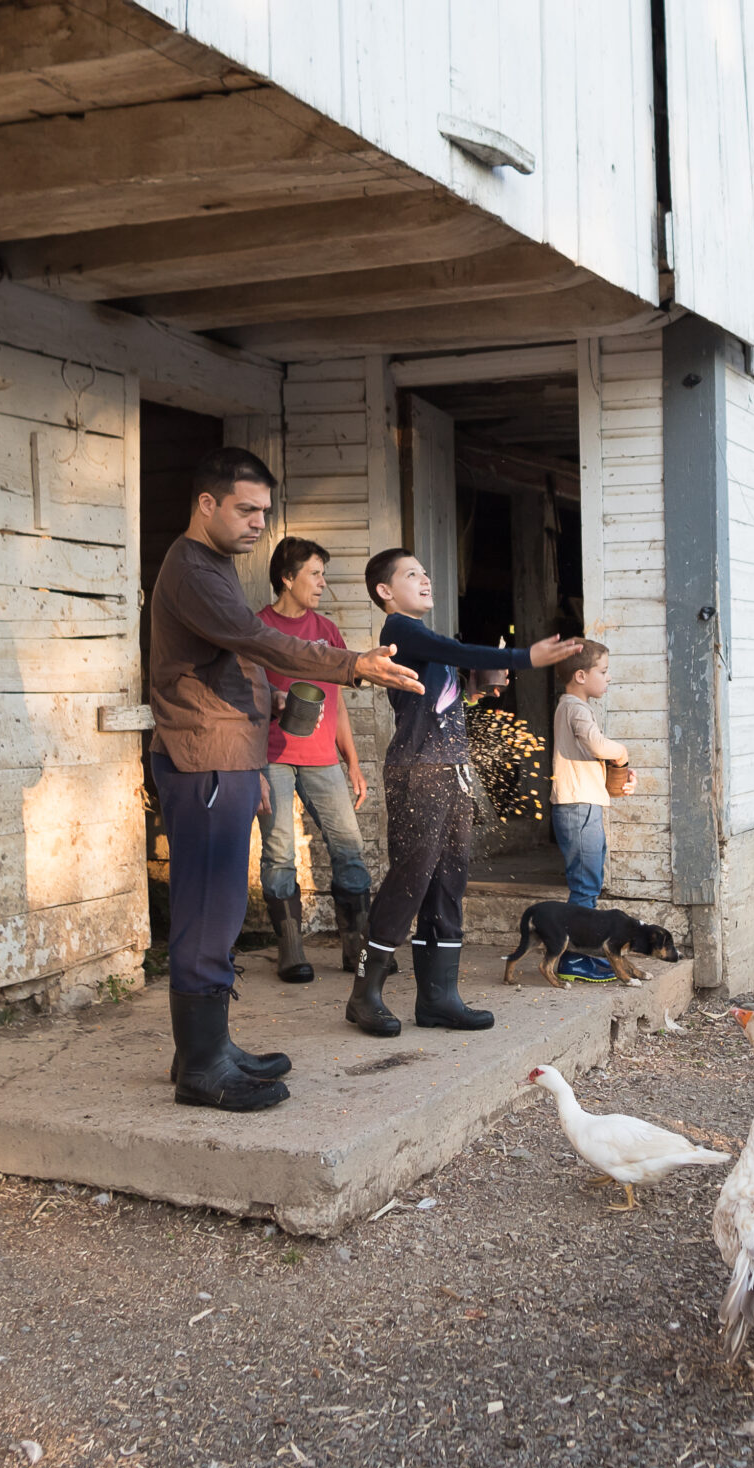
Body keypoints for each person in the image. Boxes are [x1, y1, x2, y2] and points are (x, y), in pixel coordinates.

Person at [146, 448, 420, 1111]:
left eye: (263, 512)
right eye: (246, 509)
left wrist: (262, 697)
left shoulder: (212, 565)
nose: (257, 524)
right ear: (206, 504)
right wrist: (351, 663)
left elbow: (228, 655)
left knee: (217, 912)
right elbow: (257, 639)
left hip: (225, 752)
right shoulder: (194, 569)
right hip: (205, 757)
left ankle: (204, 1046)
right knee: (209, 913)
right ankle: (202, 1069)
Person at [348, 549, 583, 1037]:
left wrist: (470, 694)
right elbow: (458, 652)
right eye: (411, 574)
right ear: (385, 592)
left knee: (448, 879)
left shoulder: (426, 645)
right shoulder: (400, 631)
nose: (425, 579)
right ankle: (364, 993)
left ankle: (439, 998)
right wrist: (526, 657)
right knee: (411, 877)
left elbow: (437, 700)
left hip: (451, 772)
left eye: (425, 572)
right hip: (418, 773)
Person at [256, 537, 372, 984]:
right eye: (315, 574)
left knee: (349, 847)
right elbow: (243, 692)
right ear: (288, 578)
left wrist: (353, 761)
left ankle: (356, 948)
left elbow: (337, 702)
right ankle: (290, 950)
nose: (323, 583)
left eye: (323, 574)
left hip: (323, 759)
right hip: (272, 756)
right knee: (279, 852)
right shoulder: (257, 628)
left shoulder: (327, 631)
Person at [548, 639, 633, 980]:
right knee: (585, 885)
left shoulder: (572, 707)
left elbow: (592, 752)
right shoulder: (576, 708)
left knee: (589, 881)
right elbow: (597, 744)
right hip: (579, 807)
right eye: (604, 670)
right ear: (581, 675)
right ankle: (571, 959)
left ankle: (581, 954)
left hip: (583, 804)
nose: (608, 677)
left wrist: (616, 770)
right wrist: (622, 752)